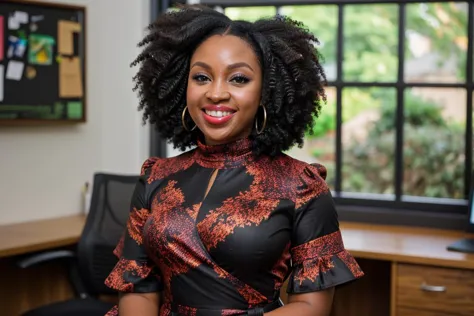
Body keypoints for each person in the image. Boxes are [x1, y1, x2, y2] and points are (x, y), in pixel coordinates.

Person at [104, 5, 363, 316]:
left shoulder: (302, 186)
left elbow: (311, 306)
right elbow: (138, 287)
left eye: (238, 79)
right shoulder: (156, 177)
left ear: (265, 91)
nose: (216, 93)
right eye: (201, 77)